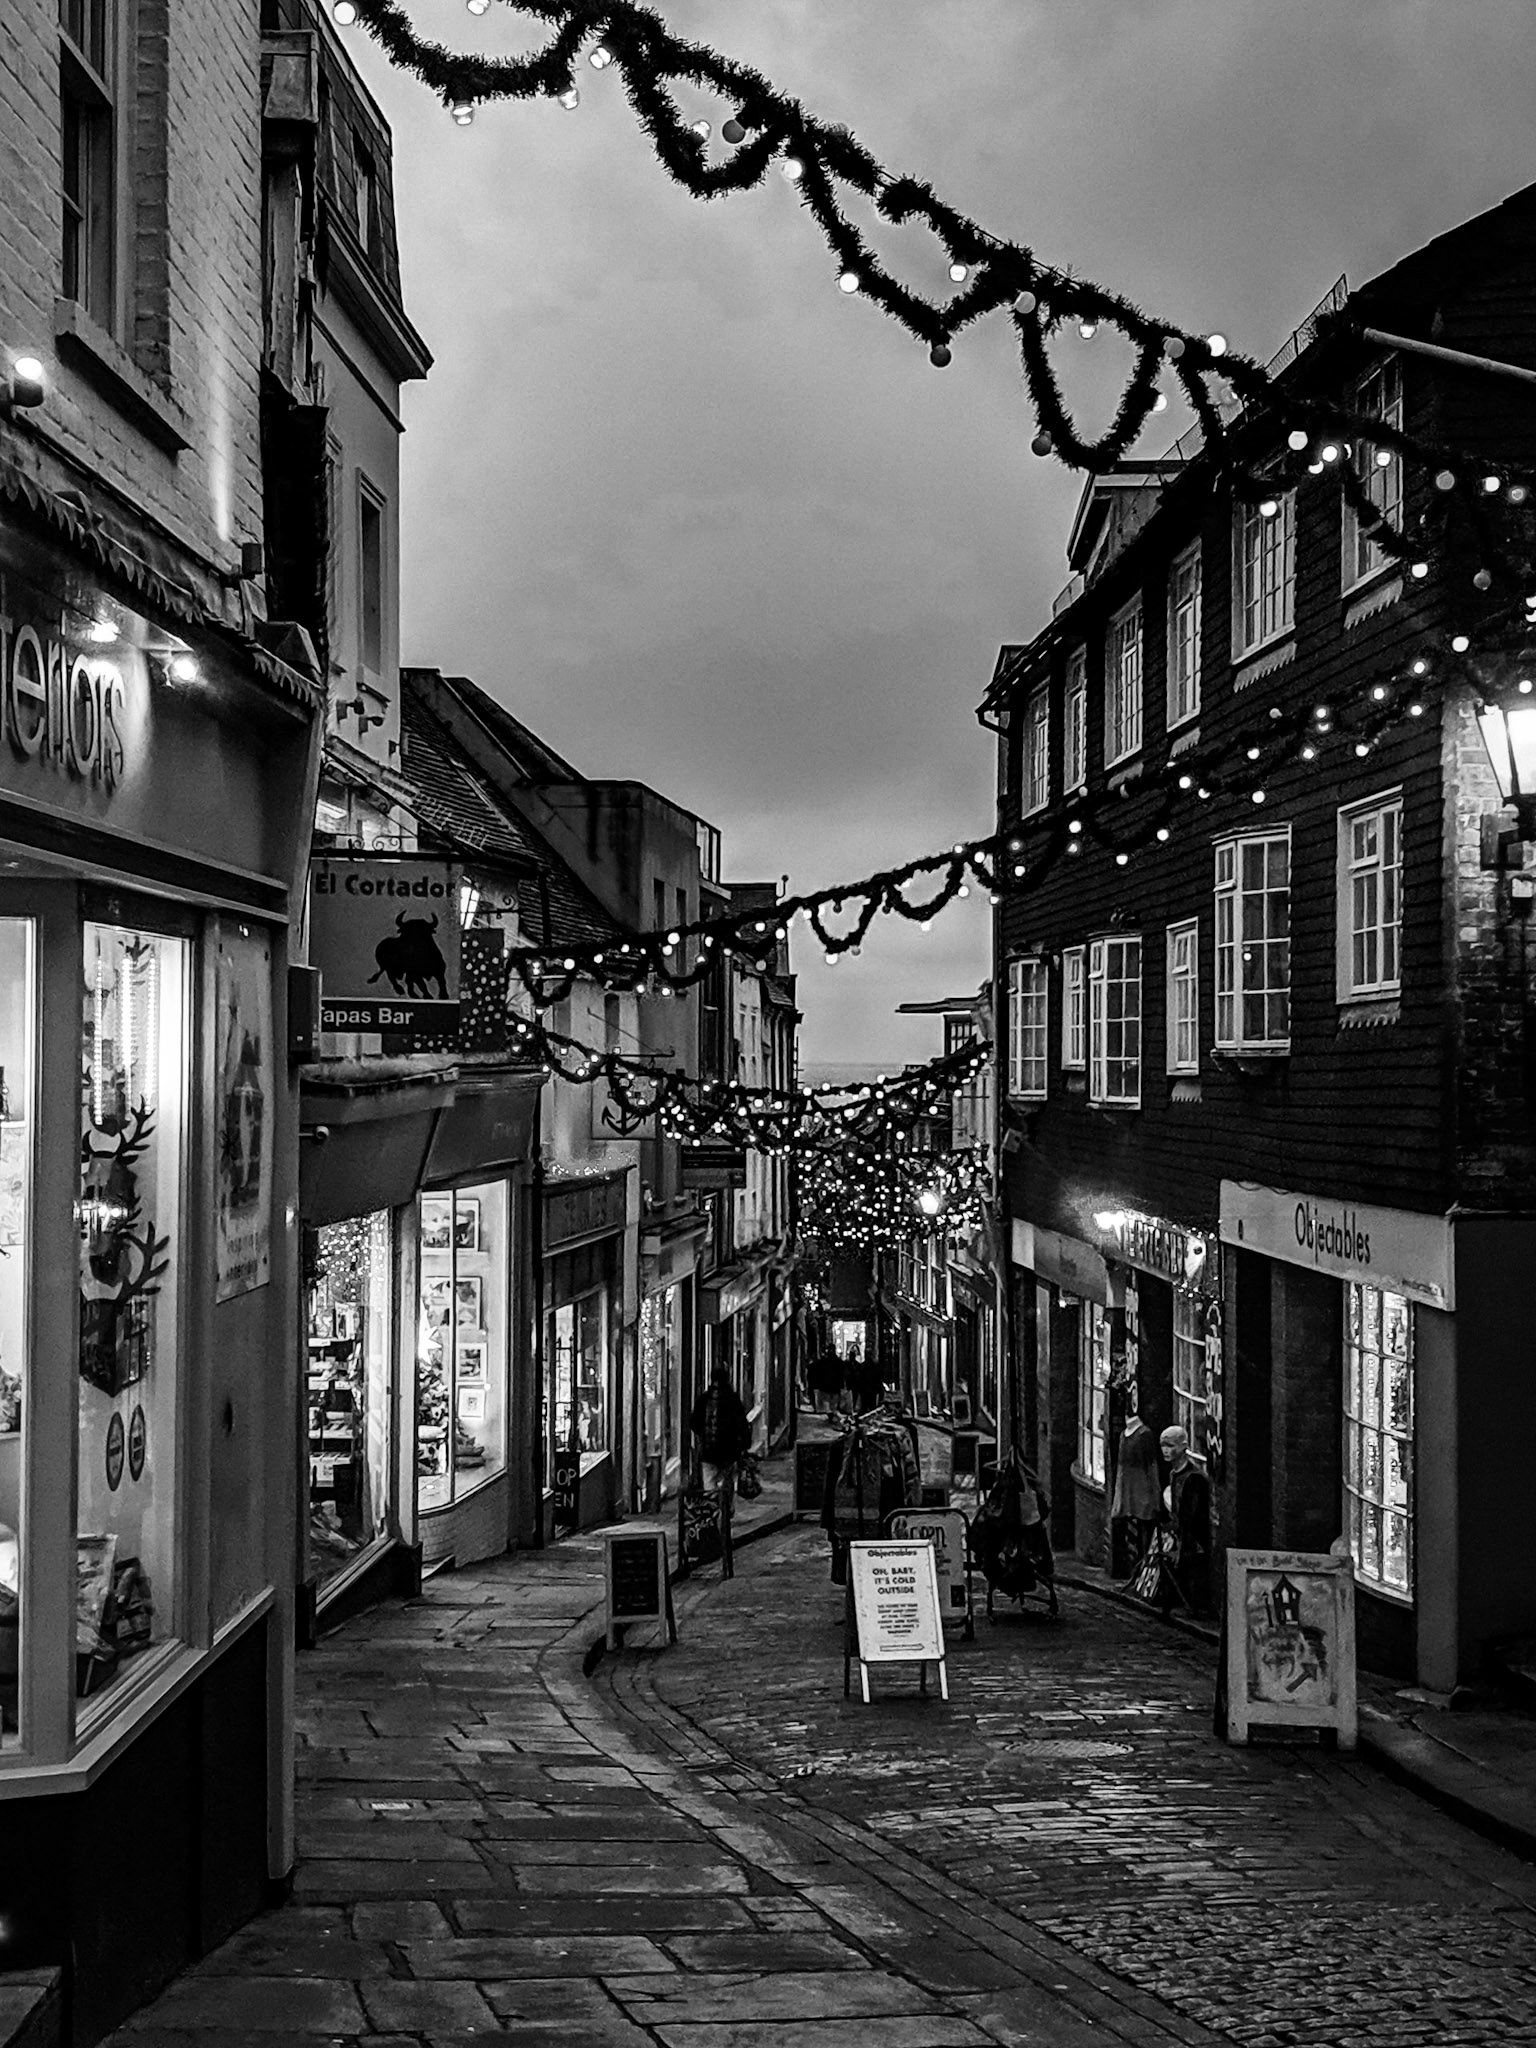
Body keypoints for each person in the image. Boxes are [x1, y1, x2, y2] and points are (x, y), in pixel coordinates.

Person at [1158, 1424, 1212, 1615]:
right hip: (1181, 1533)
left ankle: (1196, 1604)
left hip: (1194, 1536)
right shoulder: (1175, 1474)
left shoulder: (1193, 1478)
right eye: (1163, 1445)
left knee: (1194, 1569)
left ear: (1183, 1447)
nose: (1166, 1450)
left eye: (1170, 1445)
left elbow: (1192, 1513)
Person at [689, 1360, 753, 1509]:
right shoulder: (733, 1399)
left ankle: (712, 1511)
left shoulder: (703, 1399)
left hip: (708, 1451)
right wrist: (745, 1444)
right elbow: (741, 1424)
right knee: (727, 1479)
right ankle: (726, 1508)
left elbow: (694, 1423)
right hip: (729, 1450)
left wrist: (704, 1435)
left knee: (709, 1482)